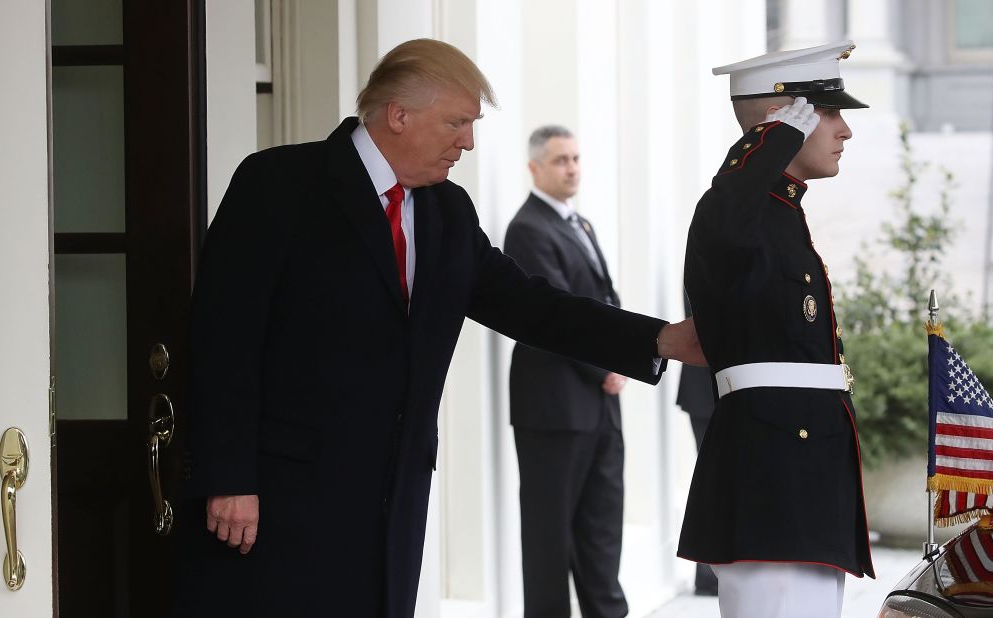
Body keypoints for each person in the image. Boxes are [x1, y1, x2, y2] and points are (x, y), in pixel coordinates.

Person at [174, 38, 703, 618]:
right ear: (399, 115)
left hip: (394, 500)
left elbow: (529, 304)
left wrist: (658, 339)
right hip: (280, 498)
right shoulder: (278, 184)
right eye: (458, 122)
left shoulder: (448, 211)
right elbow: (223, 339)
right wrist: (228, 477)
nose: (468, 141)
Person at [677, 40, 876, 618]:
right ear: (785, 119)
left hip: (803, 472)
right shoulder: (735, 209)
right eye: (829, 113)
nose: (844, 131)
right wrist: (770, 139)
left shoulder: (782, 213)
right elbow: (728, 216)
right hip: (771, 473)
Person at [503, 125, 630, 617]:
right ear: (535, 168)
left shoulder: (580, 224)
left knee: (601, 530)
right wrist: (607, 366)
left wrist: (622, 356)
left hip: (600, 406)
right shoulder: (527, 228)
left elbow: (605, 300)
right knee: (549, 539)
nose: (572, 167)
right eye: (560, 160)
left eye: (576, 158)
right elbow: (552, 315)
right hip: (554, 409)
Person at [673, 291, 719, 597]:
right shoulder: (709, 249)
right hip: (707, 389)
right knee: (712, 480)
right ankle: (708, 572)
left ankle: (713, 570)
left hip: (722, 389)